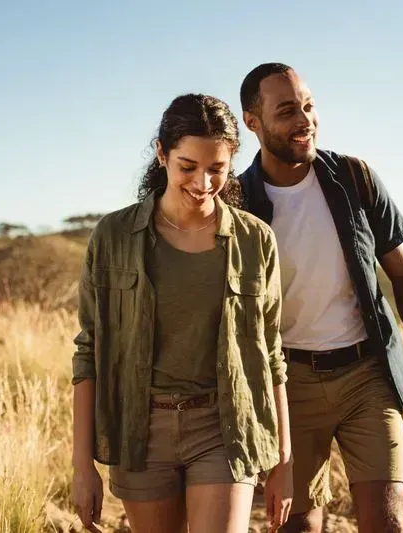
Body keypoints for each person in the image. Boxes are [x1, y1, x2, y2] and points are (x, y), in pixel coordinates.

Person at [70, 94, 293, 533]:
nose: (203, 182)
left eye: (217, 169)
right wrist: (82, 467)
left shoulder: (255, 241)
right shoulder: (113, 236)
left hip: (224, 426)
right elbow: (88, 353)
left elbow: (271, 355)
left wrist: (284, 461)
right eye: (187, 167)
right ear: (161, 154)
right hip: (140, 430)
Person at [237, 64, 403, 533]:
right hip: (288, 388)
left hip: (367, 375)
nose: (304, 119)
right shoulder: (238, 202)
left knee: (387, 524)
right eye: (287, 110)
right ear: (253, 121)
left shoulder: (354, 177)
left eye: (309, 106)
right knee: (299, 528)